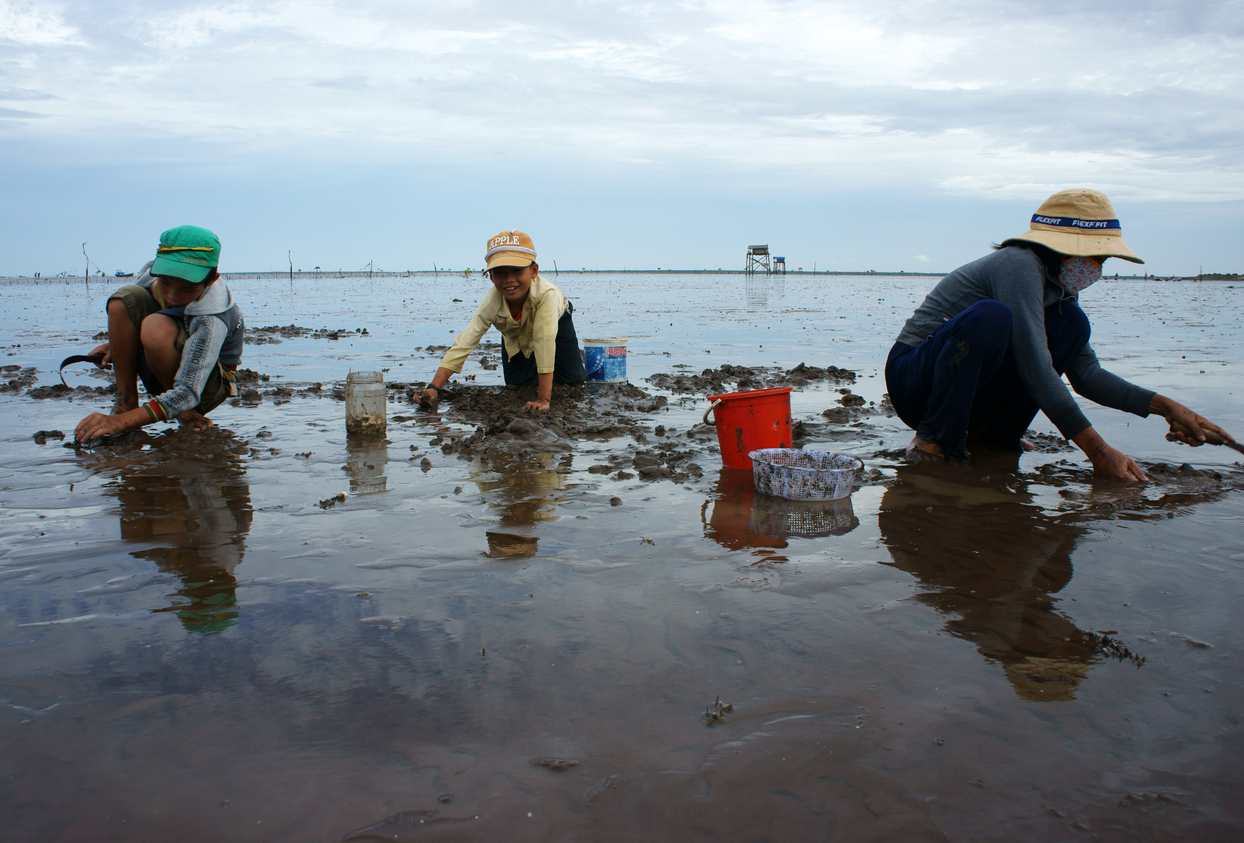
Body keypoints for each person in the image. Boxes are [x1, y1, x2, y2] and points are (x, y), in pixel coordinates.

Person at [885, 189, 1234, 480]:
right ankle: (933, 437)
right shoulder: (1018, 264)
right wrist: (1098, 451)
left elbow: (1087, 376)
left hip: (964, 388)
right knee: (990, 317)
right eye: (1096, 257)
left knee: (1073, 323)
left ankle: (992, 437)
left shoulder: (1060, 290)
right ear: (1067, 249)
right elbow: (1036, 363)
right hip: (914, 381)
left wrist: (1169, 408)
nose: (1097, 268)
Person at [74, 225, 244, 442]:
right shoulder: (151, 275)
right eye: (165, 283)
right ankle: (125, 401)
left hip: (205, 385)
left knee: (156, 327)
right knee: (124, 299)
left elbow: (188, 392)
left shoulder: (212, 318)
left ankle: (183, 411)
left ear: (210, 280)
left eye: (187, 289)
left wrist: (119, 423)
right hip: (167, 359)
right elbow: (131, 312)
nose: (172, 296)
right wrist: (115, 345)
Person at [415, 230, 586, 412]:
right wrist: (433, 388)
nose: (509, 279)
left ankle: (553, 382)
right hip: (515, 334)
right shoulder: (491, 302)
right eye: (500, 272)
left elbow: (544, 341)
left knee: (573, 380)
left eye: (517, 270)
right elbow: (466, 341)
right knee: (517, 386)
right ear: (490, 276)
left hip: (557, 322)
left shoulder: (547, 295)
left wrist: (543, 400)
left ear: (533, 271)